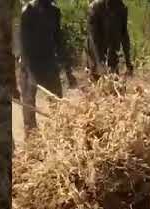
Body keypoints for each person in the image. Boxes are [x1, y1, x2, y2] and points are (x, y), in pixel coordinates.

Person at [18, 0, 77, 137]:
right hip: (29, 63)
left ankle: (59, 136)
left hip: (48, 62)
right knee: (28, 103)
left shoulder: (54, 12)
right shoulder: (28, 11)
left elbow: (59, 41)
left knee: (57, 101)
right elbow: (23, 45)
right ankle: (32, 140)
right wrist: (31, 74)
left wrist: (68, 71)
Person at [86, 0, 133, 81]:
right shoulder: (95, 8)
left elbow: (124, 35)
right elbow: (93, 38)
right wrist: (99, 63)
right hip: (95, 54)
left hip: (112, 56)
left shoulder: (122, 8)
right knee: (98, 86)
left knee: (114, 86)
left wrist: (128, 62)